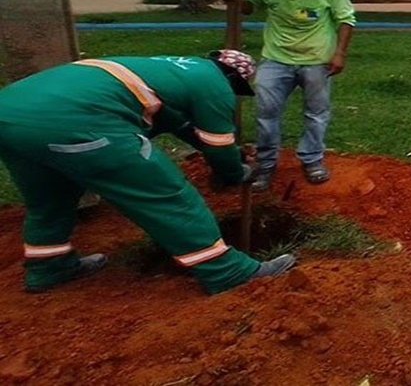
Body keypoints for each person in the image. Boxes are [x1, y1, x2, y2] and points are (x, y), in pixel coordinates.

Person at [0, 51, 297, 295]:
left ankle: (48, 266)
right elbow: (219, 144)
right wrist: (234, 171)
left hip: (11, 116)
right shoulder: (214, 83)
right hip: (75, 121)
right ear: (233, 77)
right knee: (165, 194)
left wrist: (211, 148)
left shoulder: (167, 68)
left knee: (51, 198)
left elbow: (176, 123)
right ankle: (227, 272)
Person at [220, 0, 356, 192]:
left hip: (318, 59)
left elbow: (345, 19)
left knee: (316, 114)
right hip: (276, 58)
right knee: (266, 113)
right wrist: (235, 0)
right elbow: (250, 7)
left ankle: (312, 160)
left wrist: (339, 53)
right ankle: (266, 165)